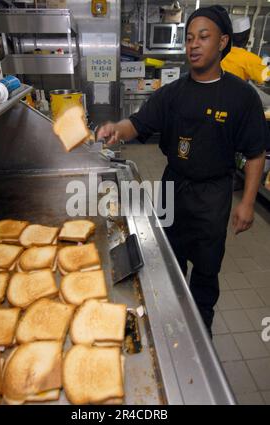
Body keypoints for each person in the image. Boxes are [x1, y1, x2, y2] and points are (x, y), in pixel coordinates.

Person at [97, 5, 268, 337]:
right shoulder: (173, 94)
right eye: (189, 38)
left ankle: (201, 330)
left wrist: (247, 202)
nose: (193, 44)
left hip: (213, 194)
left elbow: (256, 153)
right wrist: (115, 128)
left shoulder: (240, 96)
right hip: (173, 187)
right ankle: (171, 327)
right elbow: (137, 123)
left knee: (205, 270)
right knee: (169, 263)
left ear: (222, 42)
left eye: (203, 37)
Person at [221, 16, 270, 84]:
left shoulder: (220, 53)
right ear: (247, 36)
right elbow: (267, 78)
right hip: (236, 92)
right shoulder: (250, 58)